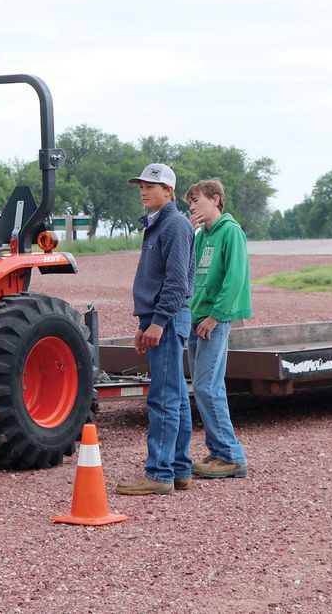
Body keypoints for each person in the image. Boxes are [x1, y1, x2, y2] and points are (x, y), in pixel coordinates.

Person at [116, 163, 194, 496]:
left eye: (152, 186)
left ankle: (159, 473)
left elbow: (177, 282)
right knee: (176, 398)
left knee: (163, 398)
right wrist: (143, 324)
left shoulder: (173, 225)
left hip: (169, 318)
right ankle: (179, 469)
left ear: (169, 191)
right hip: (162, 319)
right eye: (142, 186)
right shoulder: (158, 224)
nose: (144, 190)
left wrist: (159, 322)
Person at [185, 178, 252, 479]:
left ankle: (231, 455)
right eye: (190, 203)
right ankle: (217, 452)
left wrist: (215, 316)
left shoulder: (231, 232)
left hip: (214, 320)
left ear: (215, 199)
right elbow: (188, 269)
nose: (193, 207)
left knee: (206, 385)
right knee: (207, 386)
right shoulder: (200, 236)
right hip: (196, 317)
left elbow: (235, 278)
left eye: (196, 201)